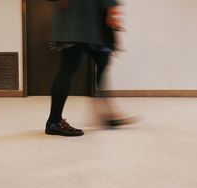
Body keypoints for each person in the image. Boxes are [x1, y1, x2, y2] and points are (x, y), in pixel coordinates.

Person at [45, 0, 136, 137]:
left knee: (102, 61)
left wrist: (111, 9)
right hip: (78, 23)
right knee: (69, 68)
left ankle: (106, 114)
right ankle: (54, 122)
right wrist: (111, 9)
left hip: (92, 23)